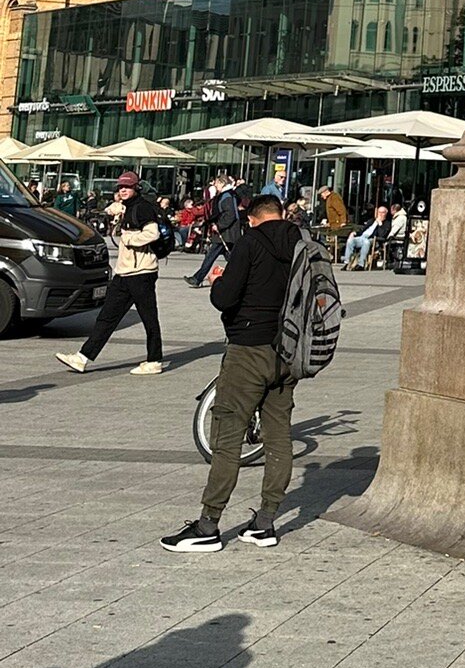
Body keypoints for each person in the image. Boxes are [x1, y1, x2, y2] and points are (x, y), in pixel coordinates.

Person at [161, 191, 301, 553]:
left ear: (253, 218)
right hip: (288, 352)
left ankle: (208, 526)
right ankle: (266, 523)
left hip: (248, 350)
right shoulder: (303, 242)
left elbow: (225, 299)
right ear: (281, 215)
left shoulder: (249, 242)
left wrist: (218, 281)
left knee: (227, 436)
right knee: (278, 436)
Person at [55, 170, 165, 376]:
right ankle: (83, 357)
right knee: (107, 317)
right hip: (124, 272)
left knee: (149, 317)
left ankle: (154, 360)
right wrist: (114, 211)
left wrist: (130, 239)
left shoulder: (143, 208)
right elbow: (113, 209)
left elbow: (153, 233)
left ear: (136, 188)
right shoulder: (127, 207)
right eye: (120, 187)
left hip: (141, 272)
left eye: (127, 187)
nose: (123, 190)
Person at [189, 172, 242, 287]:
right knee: (231, 257)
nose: (215, 187)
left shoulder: (226, 196)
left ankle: (197, 278)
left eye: (217, 184)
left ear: (222, 183)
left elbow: (230, 214)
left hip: (225, 232)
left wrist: (219, 225)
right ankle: (243, 275)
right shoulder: (228, 195)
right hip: (227, 232)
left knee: (211, 256)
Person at [341, 203, 387, 270]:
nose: (380, 214)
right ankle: (347, 262)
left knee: (366, 242)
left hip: (373, 240)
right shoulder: (372, 221)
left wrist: (380, 224)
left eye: (382, 212)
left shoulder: (386, 223)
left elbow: (382, 234)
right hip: (362, 237)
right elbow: (363, 230)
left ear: (385, 213)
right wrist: (355, 233)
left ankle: (361, 264)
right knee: (350, 240)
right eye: (379, 212)